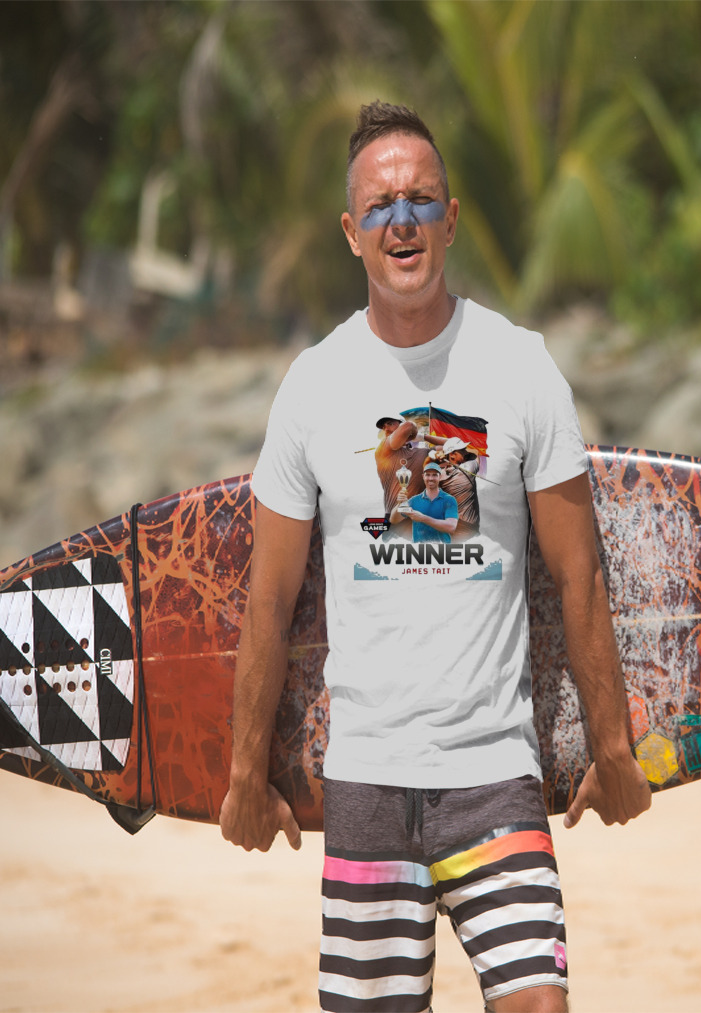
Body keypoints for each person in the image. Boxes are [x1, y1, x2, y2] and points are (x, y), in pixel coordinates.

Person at [220, 100, 651, 1013]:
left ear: (451, 219)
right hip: (368, 778)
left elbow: (579, 574)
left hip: (495, 772)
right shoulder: (313, 386)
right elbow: (269, 600)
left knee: (540, 1003)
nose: (402, 220)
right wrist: (242, 772)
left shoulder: (522, 367)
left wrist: (612, 746)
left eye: (421, 200)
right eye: (380, 206)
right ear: (351, 232)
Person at [391, 460, 459, 542]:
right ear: (423, 476)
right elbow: (394, 520)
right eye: (428, 475)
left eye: (434, 475)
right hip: (419, 551)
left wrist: (423, 518)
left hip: (442, 551)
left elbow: (451, 527)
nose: (431, 478)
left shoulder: (449, 500)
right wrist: (399, 504)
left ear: (440, 477)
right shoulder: (414, 500)